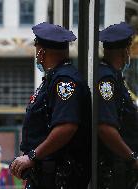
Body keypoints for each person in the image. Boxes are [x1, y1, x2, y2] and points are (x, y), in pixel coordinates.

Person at [9, 22, 92, 189]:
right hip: (46, 174)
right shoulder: (53, 79)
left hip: (59, 176)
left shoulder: (65, 82)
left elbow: (66, 126)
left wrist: (32, 156)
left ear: (41, 52)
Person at [97, 22, 138, 189]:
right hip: (113, 168)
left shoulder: (113, 77)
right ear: (125, 51)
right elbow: (104, 127)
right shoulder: (106, 81)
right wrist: (132, 158)